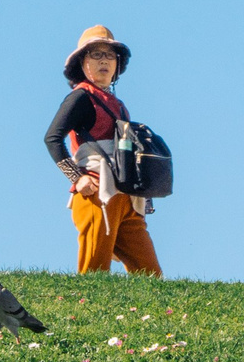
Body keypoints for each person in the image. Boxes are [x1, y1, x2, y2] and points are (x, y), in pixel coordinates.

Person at [43, 24, 164, 277]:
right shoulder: (79, 97)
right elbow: (52, 138)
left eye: (110, 55)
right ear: (82, 63)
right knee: (94, 272)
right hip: (97, 193)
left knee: (150, 275)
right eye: (95, 54)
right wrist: (78, 178)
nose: (104, 61)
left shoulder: (119, 105)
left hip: (127, 197)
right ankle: (82, 314)